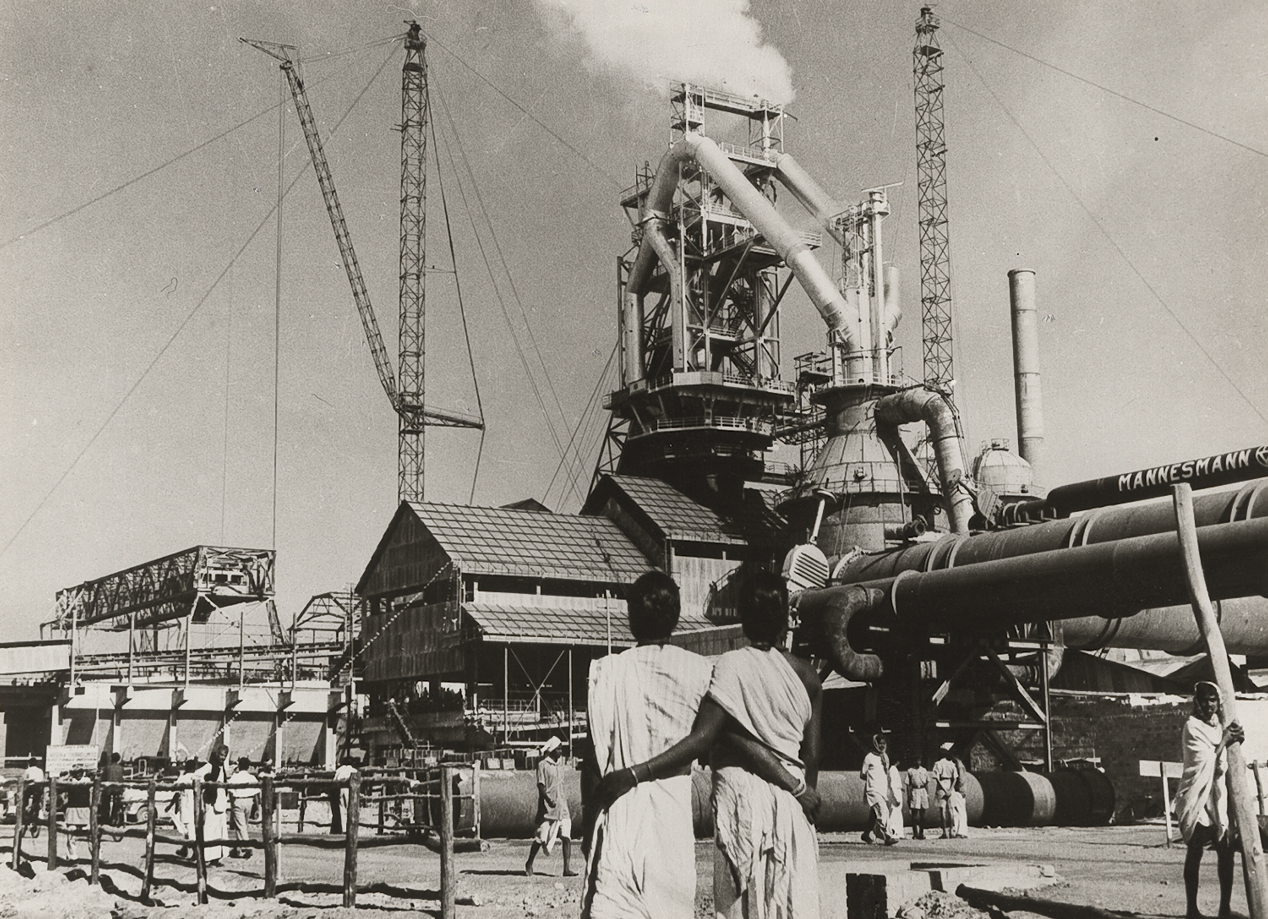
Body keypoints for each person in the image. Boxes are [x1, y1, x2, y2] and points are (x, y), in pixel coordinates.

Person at [599, 571, 823, 918]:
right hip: (796, 809)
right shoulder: (808, 676)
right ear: (785, 620)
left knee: (741, 910)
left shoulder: (730, 666)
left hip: (744, 808)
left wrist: (635, 772)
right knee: (791, 905)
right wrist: (800, 792)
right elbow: (812, 756)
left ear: (743, 617)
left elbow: (708, 736)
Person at [580, 570, 714, 918]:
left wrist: (588, 831)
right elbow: (706, 744)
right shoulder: (700, 672)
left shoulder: (608, 671)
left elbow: (594, 764)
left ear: (631, 617)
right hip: (674, 826)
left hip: (620, 818)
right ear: (676, 616)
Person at [1175, 681, 1244, 919]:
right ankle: (1191, 909)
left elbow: (1223, 758)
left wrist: (1232, 739)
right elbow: (1206, 763)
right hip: (1197, 796)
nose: (1209, 705)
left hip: (1216, 797)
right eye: (1204, 700)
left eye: (1213, 700)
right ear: (1197, 702)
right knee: (1196, 849)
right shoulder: (1192, 727)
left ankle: (1224, 909)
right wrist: (1225, 741)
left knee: (1226, 850)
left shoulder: (1217, 726)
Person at [526, 736, 575, 877]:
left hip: (562, 807)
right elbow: (541, 786)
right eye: (558, 749)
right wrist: (548, 799)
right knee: (541, 837)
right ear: (552, 750)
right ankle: (529, 862)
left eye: (561, 749)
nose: (560, 751)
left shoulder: (560, 765)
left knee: (566, 836)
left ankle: (566, 869)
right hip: (548, 808)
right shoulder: (543, 765)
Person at [195, 745, 230, 864]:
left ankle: (216, 857)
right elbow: (196, 775)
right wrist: (208, 780)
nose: (223, 758)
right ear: (217, 754)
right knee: (209, 830)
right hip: (211, 802)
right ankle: (206, 858)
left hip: (221, 802)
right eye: (221, 755)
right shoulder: (210, 766)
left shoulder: (223, 768)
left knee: (219, 831)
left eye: (225, 755)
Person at [860, 733, 896, 845]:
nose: (882, 746)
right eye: (880, 743)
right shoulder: (869, 757)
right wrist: (872, 778)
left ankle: (866, 834)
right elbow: (862, 774)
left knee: (875, 815)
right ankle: (888, 836)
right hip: (873, 790)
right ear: (875, 744)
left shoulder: (885, 758)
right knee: (882, 810)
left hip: (882, 790)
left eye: (884, 744)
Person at [227, 757, 259, 859]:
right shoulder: (252, 778)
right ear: (248, 767)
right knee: (243, 825)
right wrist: (258, 808)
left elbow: (231, 792)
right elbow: (257, 794)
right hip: (249, 801)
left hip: (238, 800)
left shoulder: (234, 777)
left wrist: (232, 804)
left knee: (241, 826)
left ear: (239, 766)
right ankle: (238, 849)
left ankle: (247, 847)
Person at [166, 759, 198, 859]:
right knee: (191, 830)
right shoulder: (198, 777)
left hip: (186, 806)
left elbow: (176, 793)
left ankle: (195, 852)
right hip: (196, 806)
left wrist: (170, 805)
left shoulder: (183, 778)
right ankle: (184, 849)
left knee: (188, 830)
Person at [61, 765, 92, 860]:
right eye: (76, 772)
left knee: (88, 833)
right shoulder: (72, 782)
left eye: (80, 772)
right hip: (76, 809)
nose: (78, 774)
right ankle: (73, 855)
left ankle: (95, 855)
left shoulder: (85, 781)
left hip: (82, 809)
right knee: (73, 834)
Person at [932, 743, 959, 839]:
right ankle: (951, 830)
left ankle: (945, 832)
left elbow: (937, 778)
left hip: (942, 785)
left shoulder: (938, 764)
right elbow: (955, 778)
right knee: (951, 809)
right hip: (950, 784)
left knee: (943, 810)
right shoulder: (952, 764)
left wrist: (944, 789)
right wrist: (950, 789)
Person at [330, 757, 358, 834]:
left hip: (336, 789)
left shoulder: (339, 770)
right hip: (347, 789)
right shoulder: (352, 770)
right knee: (348, 808)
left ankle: (341, 828)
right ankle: (346, 829)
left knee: (341, 809)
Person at [906, 757, 930, 839]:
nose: (918, 762)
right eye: (917, 760)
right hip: (915, 791)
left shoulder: (924, 770)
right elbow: (908, 785)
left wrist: (927, 795)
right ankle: (915, 833)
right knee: (914, 814)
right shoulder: (910, 771)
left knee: (923, 814)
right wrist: (909, 796)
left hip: (923, 790)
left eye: (919, 760)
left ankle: (921, 833)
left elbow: (927, 783)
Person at [21, 756, 45, 831]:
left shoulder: (28, 770)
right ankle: (35, 816)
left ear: (29, 763)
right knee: (37, 801)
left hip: (31, 788)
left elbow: (24, 779)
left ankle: (24, 809)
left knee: (24, 798)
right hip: (39, 788)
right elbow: (42, 779)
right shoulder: (40, 770)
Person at [101, 752, 125, 826]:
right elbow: (121, 779)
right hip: (117, 789)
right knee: (117, 803)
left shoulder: (107, 768)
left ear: (111, 758)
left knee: (105, 802)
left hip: (108, 789)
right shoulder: (121, 768)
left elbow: (103, 778)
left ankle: (105, 818)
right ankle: (114, 818)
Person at [886, 759, 906, 841]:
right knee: (894, 813)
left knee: (897, 813)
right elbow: (892, 785)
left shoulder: (894, 769)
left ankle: (898, 832)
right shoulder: (892, 770)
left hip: (897, 791)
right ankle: (893, 831)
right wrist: (895, 797)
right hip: (895, 793)